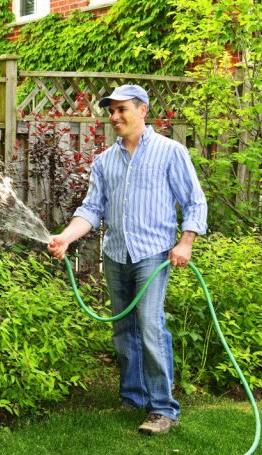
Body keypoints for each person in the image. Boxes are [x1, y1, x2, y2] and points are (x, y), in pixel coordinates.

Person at [48, 84, 207, 435]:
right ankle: (133, 397)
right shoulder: (105, 161)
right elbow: (91, 209)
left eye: (122, 109)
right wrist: (66, 237)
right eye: (111, 111)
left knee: (150, 326)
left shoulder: (169, 152)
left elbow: (194, 202)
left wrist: (186, 242)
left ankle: (163, 409)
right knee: (124, 330)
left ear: (143, 110)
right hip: (116, 255)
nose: (115, 117)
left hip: (152, 255)